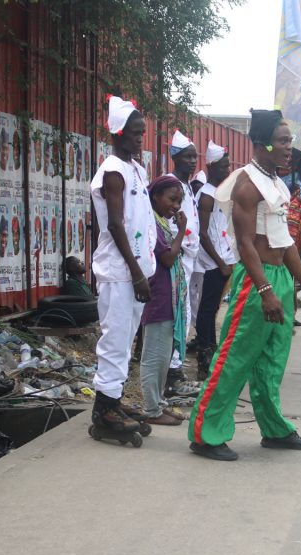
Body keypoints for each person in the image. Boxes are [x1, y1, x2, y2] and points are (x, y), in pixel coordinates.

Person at [187, 109, 301, 462]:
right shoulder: (247, 183)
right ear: (261, 143)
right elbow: (246, 244)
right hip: (256, 279)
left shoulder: (277, 182)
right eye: (282, 141)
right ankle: (206, 434)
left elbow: (286, 240)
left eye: (290, 141)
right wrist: (264, 291)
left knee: (271, 362)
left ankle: (275, 430)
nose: (289, 148)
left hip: (279, 277)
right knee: (234, 358)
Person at [89, 96, 156, 436]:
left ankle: (112, 400)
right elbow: (115, 226)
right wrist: (136, 271)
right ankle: (103, 414)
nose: (139, 139)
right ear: (117, 134)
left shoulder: (136, 169)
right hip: (120, 274)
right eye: (134, 133)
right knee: (114, 340)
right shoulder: (113, 172)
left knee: (125, 339)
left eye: (142, 133)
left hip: (135, 274)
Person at [137, 175, 190, 426]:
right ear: (155, 197)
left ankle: (158, 404)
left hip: (167, 300)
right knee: (154, 357)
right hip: (158, 299)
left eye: (179, 201)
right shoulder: (153, 225)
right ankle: (151, 409)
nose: (176, 206)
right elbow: (167, 258)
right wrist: (181, 232)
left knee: (163, 357)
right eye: (172, 199)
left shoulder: (161, 223)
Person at [164, 130, 203, 396]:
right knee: (179, 313)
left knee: (185, 312)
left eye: (194, 157)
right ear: (175, 157)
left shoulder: (186, 184)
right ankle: (172, 374)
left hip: (188, 256)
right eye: (187, 157)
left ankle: (175, 370)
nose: (192, 161)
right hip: (176, 255)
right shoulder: (171, 184)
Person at [194, 142, 237, 379]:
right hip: (212, 263)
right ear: (211, 166)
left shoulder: (218, 192)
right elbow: (202, 233)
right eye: (223, 166)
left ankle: (211, 352)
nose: (228, 169)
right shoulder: (207, 196)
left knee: (212, 309)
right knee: (207, 309)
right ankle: (204, 356)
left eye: (228, 165)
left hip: (221, 260)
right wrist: (220, 262)